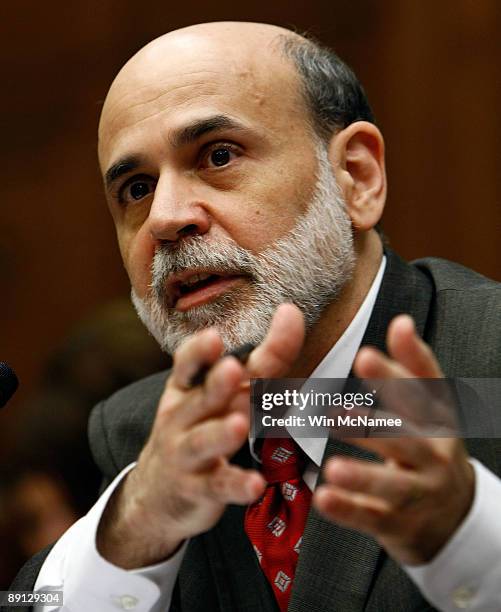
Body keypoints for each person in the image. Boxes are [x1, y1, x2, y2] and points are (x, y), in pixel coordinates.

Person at [9, 21, 501, 612]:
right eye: (136, 189)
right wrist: (130, 534)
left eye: (218, 155)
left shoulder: (484, 369)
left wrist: (471, 544)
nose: (165, 218)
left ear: (357, 177)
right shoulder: (139, 430)